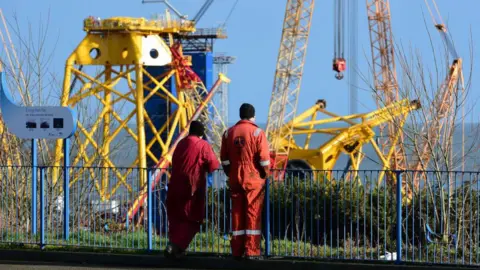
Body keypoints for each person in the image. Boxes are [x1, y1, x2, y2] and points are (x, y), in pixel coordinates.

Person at [220, 103, 270, 260]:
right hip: (253, 179)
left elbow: (224, 159)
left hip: (235, 178)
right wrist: (265, 174)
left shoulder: (228, 133)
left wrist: (231, 173)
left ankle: (237, 250)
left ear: (240, 115)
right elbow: (264, 160)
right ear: (253, 116)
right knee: (253, 214)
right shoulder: (257, 133)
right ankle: (252, 251)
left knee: (236, 214)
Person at [164, 120, 220, 258]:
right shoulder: (203, 145)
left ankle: (176, 248)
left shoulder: (180, 144)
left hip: (174, 186)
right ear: (201, 134)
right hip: (191, 188)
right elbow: (214, 165)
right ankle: (176, 246)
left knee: (176, 219)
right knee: (193, 220)